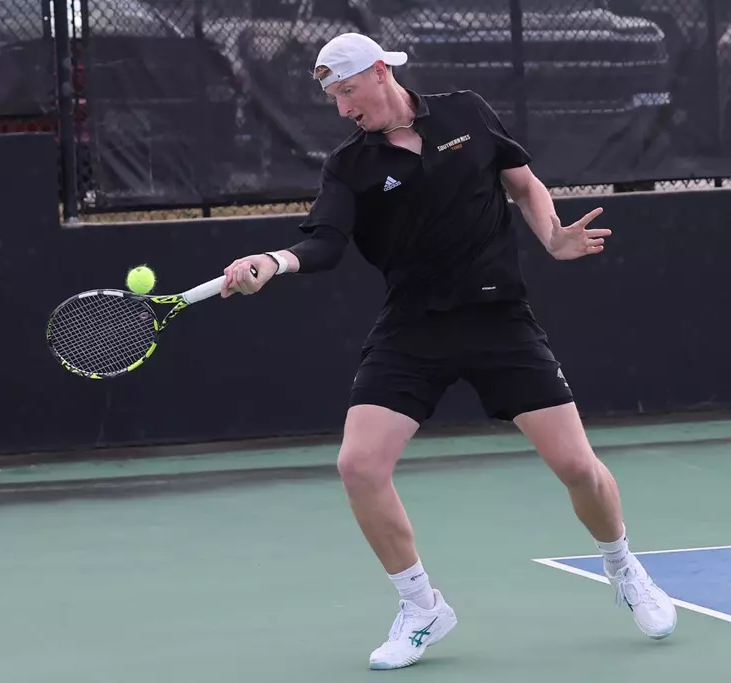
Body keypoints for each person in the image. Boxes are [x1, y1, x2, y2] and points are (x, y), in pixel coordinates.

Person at [220, 32, 677, 670]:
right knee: (359, 466)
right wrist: (275, 260)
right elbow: (324, 244)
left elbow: (523, 184)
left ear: (380, 73)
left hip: (498, 321)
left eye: (347, 91)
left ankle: (623, 567)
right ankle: (421, 606)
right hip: (413, 329)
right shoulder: (349, 166)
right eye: (332, 98)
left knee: (578, 468)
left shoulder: (466, 112)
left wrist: (551, 236)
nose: (342, 108)